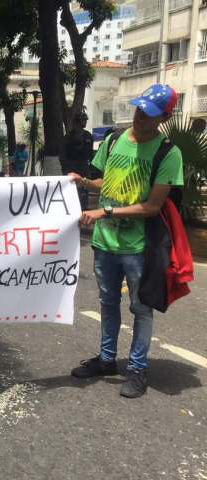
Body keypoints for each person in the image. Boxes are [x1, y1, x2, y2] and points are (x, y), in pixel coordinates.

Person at [68, 83, 183, 398]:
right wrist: (84, 180)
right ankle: (107, 360)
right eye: (138, 109)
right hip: (105, 244)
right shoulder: (114, 140)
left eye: (148, 114)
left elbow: (152, 207)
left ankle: (137, 368)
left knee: (140, 308)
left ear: (164, 117)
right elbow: (105, 180)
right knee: (107, 303)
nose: (140, 117)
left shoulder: (168, 154)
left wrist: (103, 212)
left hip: (138, 248)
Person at [60, 111, 94, 208]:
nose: (85, 122)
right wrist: (66, 169)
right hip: (71, 168)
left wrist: (90, 168)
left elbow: (90, 154)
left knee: (84, 191)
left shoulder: (88, 136)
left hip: (83, 167)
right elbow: (62, 155)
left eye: (85, 120)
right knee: (72, 191)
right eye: (83, 120)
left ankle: (83, 207)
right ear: (76, 122)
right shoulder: (68, 137)